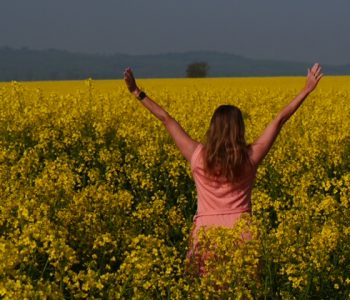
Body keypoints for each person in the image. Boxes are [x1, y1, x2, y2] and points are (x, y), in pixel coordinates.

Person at [123, 63, 323, 276]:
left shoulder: (197, 155)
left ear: (212, 128)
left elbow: (166, 119)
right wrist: (306, 89)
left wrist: (137, 92)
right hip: (242, 234)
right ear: (240, 129)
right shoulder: (249, 158)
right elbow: (280, 120)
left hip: (206, 236)